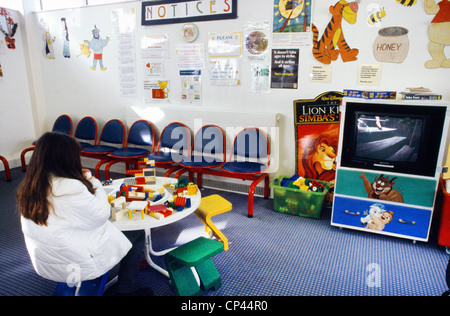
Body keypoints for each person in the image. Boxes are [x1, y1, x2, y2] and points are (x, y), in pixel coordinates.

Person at [17, 132, 151, 296]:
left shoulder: (30, 186)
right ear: (66, 159)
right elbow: (102, 213)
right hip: (76, 258)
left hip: (47, 258)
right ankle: (128, 290)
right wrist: (93, 182)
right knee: (136, 233)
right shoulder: (70, 188)